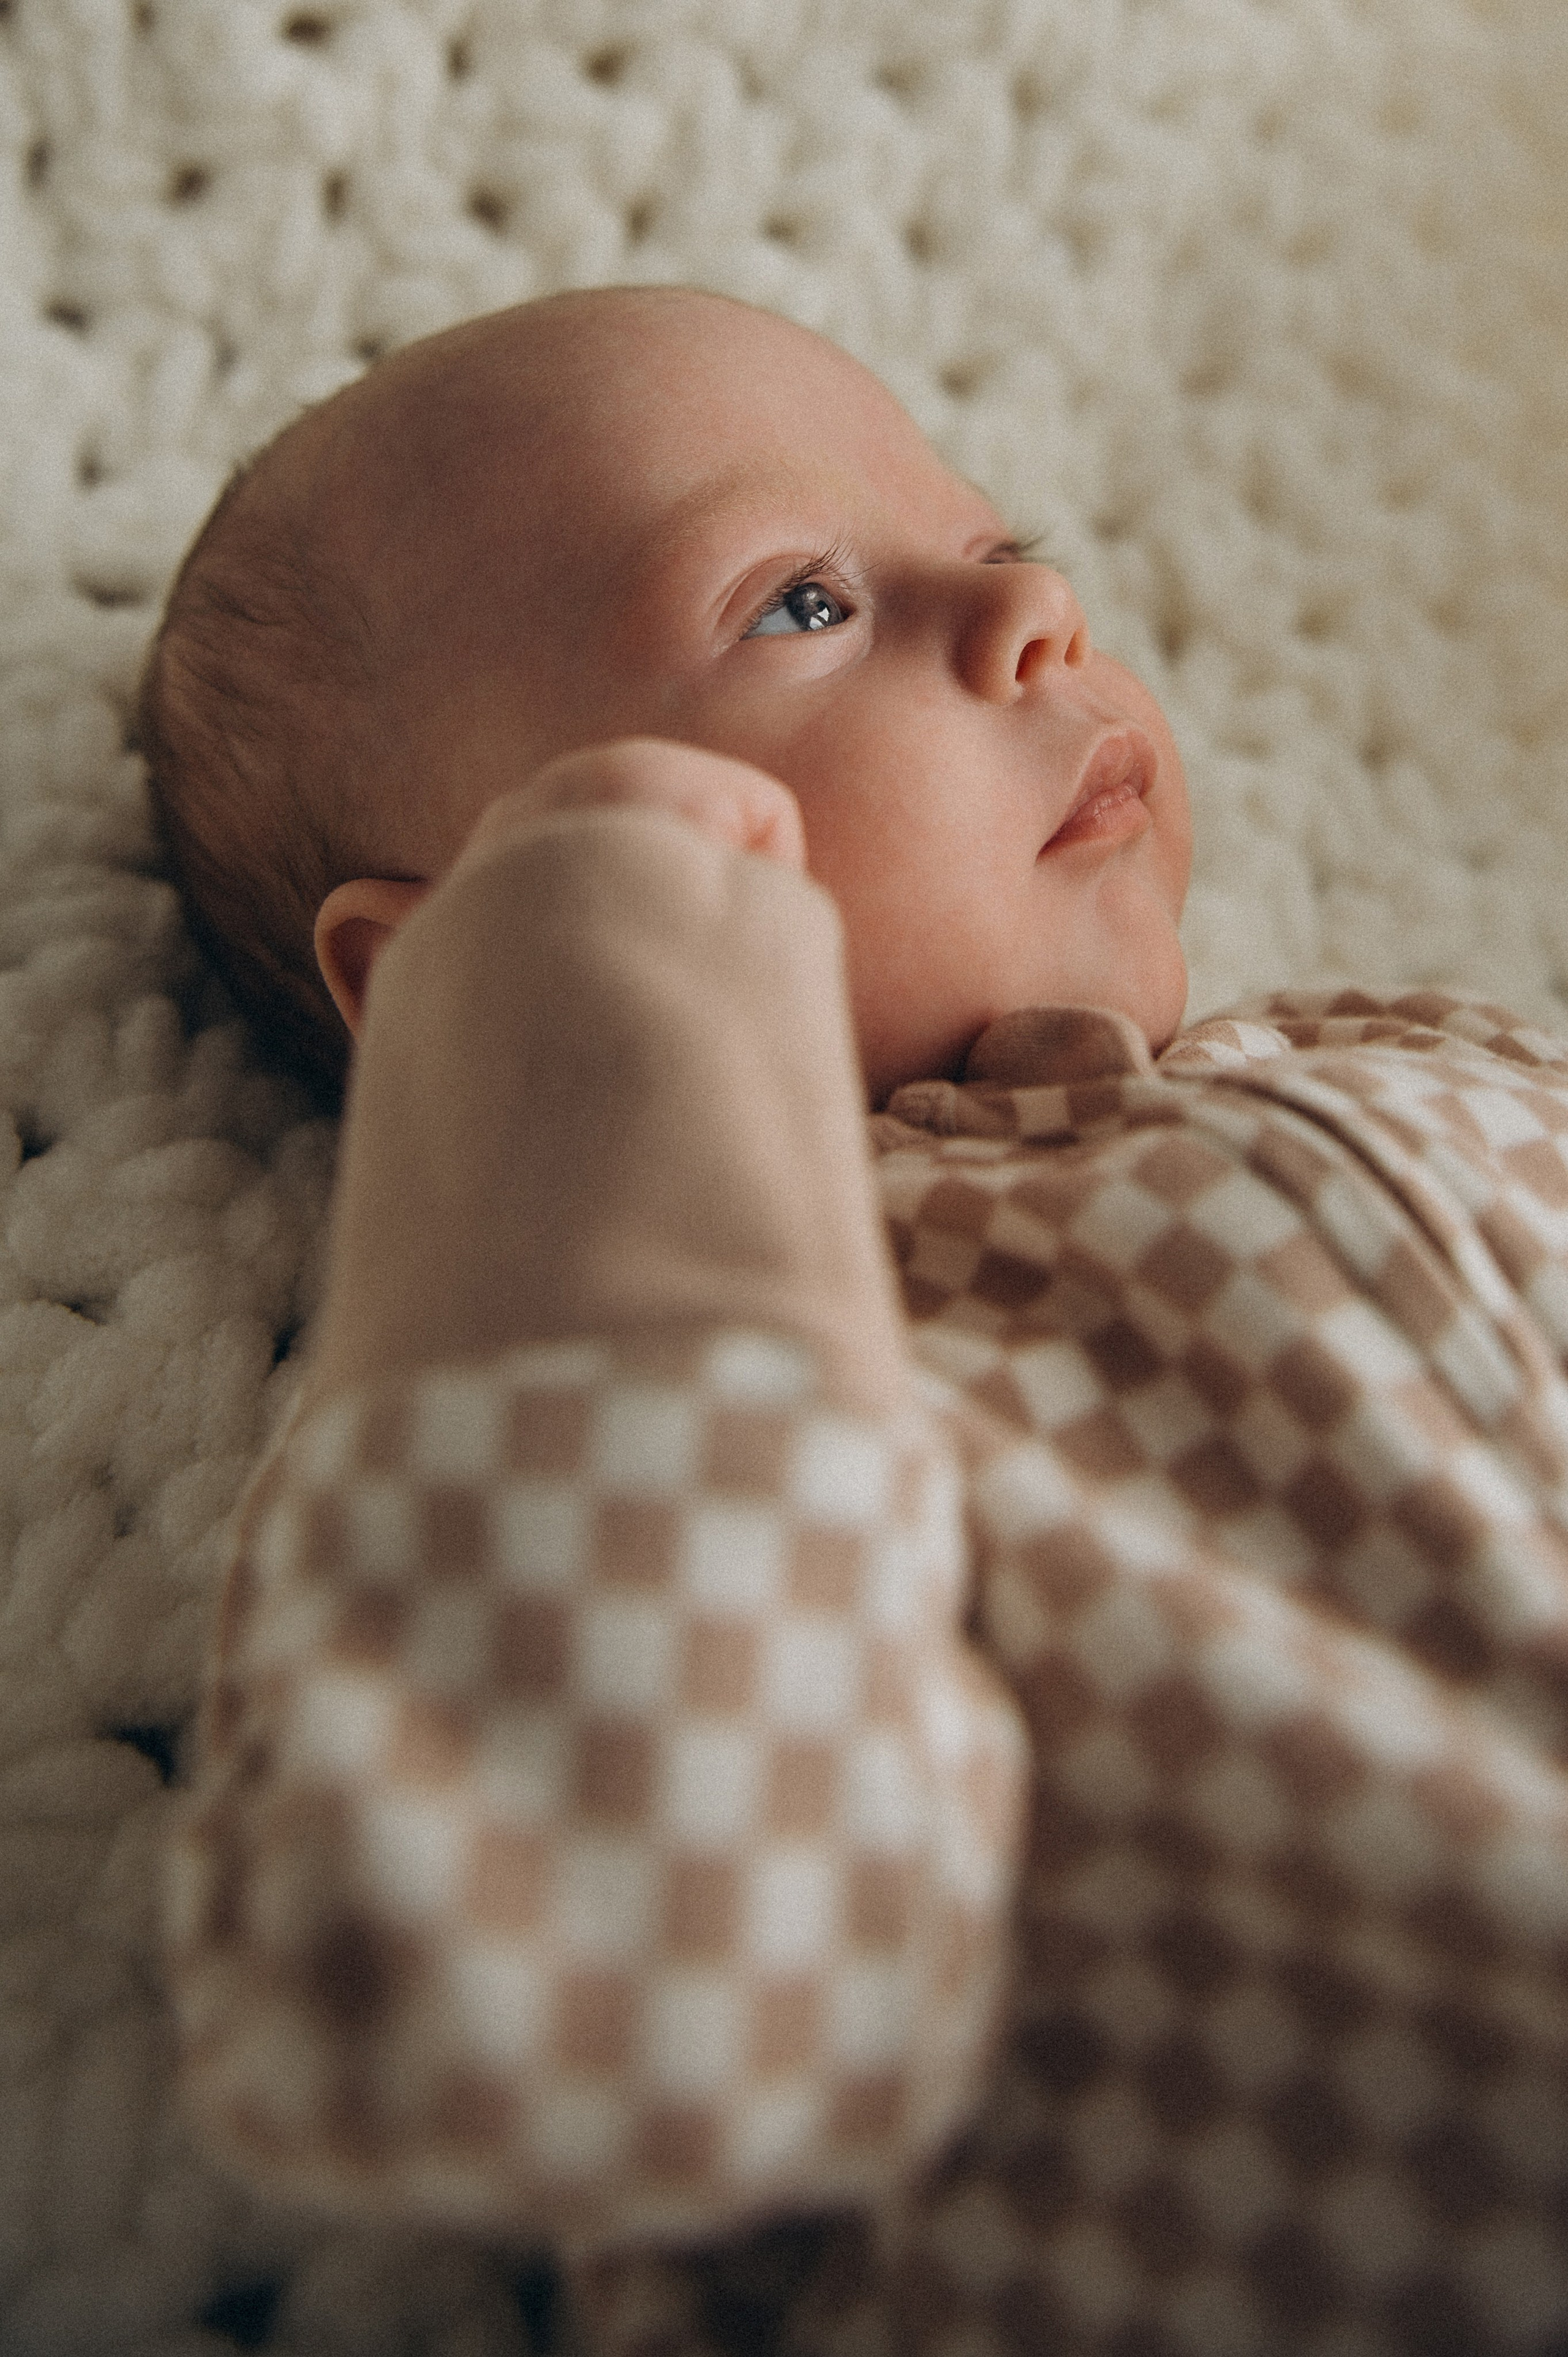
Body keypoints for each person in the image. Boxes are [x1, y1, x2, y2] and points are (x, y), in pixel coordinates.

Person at [146, 288, 1568, 2356]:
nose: (1041, 613)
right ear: (458, 952)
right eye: (801, 600)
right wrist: (589, 1072)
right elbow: (598, 1999)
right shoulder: (599, 1386)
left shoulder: (1439, 1060)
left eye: (997, 550)